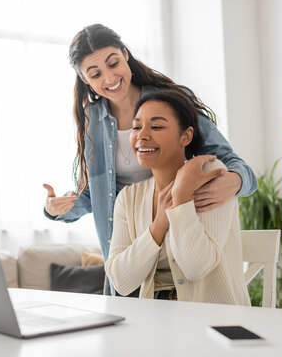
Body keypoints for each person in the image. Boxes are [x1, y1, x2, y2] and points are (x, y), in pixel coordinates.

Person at [43, 24, 257, 294]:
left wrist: (236, 181)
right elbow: (91, 197)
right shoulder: (91, 121)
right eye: (95, 73)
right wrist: (56, 209)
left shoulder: (169, 103)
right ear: (85, 80)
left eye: (113, 63)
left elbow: (234, 164)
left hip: (182, 243)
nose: (109, 78)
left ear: (125, 54)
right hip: (130, 253)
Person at [105, 89, 250, 305]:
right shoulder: (129, 198)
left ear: (186, 136)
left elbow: (196, 267)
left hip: (214, 321)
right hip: (155, 321)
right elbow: (121, 282)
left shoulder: (211, 174)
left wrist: (181, 197)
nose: (142, 135)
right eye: (136, 127)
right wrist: (160, 223)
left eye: (156, 126)